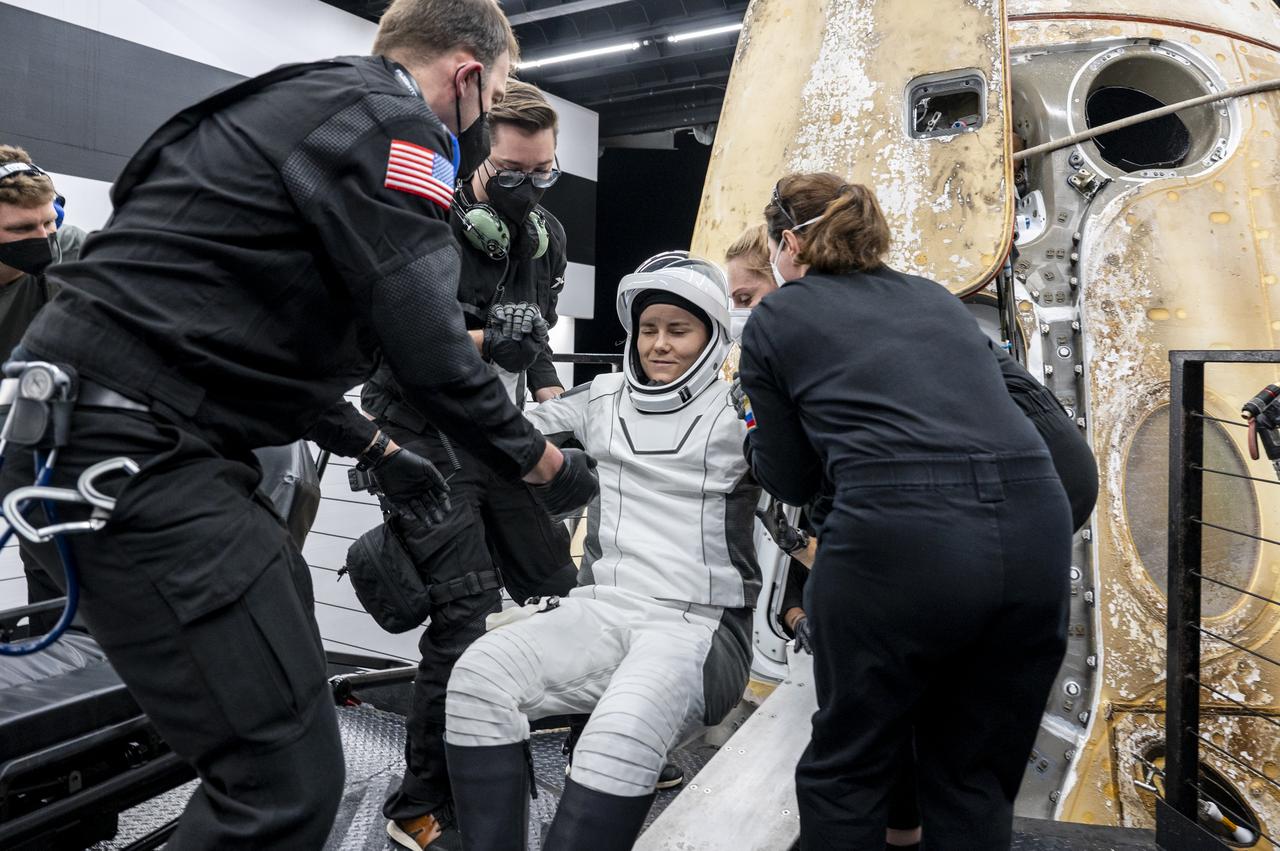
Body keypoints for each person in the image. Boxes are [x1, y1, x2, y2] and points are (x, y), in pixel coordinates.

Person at [0, 0, 598, 846]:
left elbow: (242, 343)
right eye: (494, 94)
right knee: (280, 784)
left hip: (110, 435)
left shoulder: (297, 104)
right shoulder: (397, 124)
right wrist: (545, 465)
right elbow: (425, 340)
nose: (486, 118)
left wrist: (374, 446)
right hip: (135, 450)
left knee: (288, 686)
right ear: (468, 74)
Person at [737, 173, 1073, 851]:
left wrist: (752, 439)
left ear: (789, 244)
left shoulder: (779, 314)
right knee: (973, 780)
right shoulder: (936, 300)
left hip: (901, 540)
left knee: (849, 771)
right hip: (1036, 530)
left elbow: (793, 476)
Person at [443, 254, 759, 850]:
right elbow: (507, 430)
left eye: (679, 330)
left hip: (697, 626)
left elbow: (807, 479)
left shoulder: (739, 410)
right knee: (477, 680)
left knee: (617, 738)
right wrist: (492, 359)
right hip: (602, 608)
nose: (659, 345)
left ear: (712, 337)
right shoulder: (602, 398)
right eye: (648, 329)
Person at [358, 79, 584, 851]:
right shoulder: (424, 219)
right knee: (464, 619)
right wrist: (487, 339)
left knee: (561, 589)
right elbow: (392, 344)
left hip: (496, 431)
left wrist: (553, 400)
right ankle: (419, 804)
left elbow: (536, 335)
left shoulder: (545, 234)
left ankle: (589, 748)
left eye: (544, 171)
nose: (530, 187)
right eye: (514, 172)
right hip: (419, 433)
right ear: (478, 158)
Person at [0, 146, 90, 634]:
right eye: (21, 229)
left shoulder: (69, 249)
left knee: (54, 549)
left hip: (40, 435)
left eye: (48, 221)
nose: (41, 237)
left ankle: (62, 650)